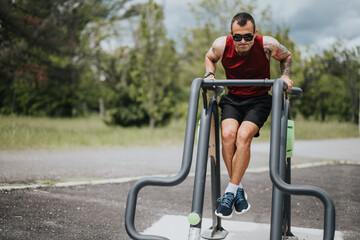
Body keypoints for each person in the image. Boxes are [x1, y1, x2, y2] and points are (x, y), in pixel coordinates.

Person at [204, 12, 293, 218]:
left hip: (258, 100)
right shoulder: (220, 45)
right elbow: (210, 57)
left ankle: (229, 192)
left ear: (255, 33)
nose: (243, 41)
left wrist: (284, 76)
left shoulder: (267, 45)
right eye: (237, 37)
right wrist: (210, 74)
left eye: (247, 36)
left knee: (243, 136)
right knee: (227, 135)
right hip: (233, 99)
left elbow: (286, 56)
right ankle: (237, 189)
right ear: (231, 34)